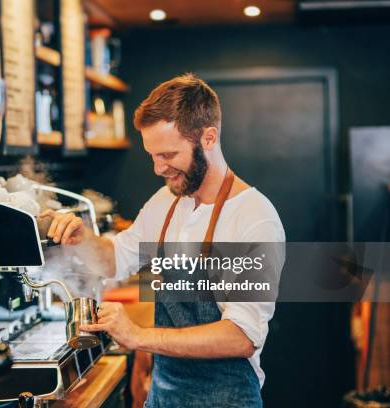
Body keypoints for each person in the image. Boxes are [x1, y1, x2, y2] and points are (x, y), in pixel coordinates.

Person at [40, 73, 285, 407]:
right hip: (165, 396)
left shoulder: (254, 218)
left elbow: (241, 337)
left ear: (208, 138)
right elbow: (114, 259)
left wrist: (139, 336)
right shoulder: (165, 202)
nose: (158, 168)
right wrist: (81, 237)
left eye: (168, 154)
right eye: (152, 155)